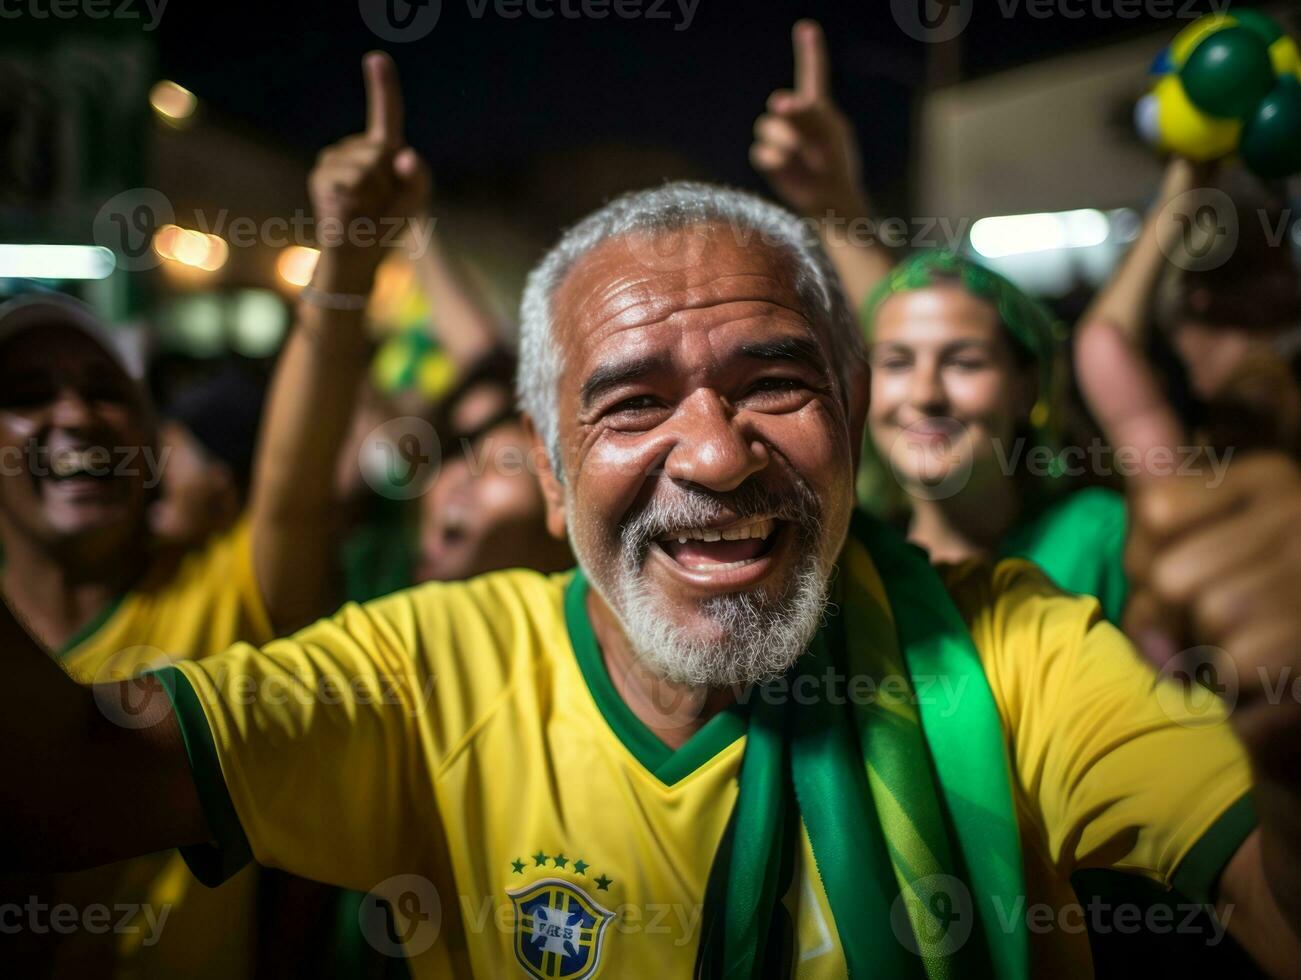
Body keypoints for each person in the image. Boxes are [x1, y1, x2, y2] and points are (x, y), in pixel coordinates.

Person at [6, 174, 1301, 978]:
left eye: (775, 385)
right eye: (630, 404)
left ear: (850, 428)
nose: (716, 453)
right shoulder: (429, 669)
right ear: (552, 475)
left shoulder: (1013, 652)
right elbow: (62, 787)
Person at [860, 250, 1129, 623]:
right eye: (896, 363)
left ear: (1026, 388)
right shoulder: (853, 567)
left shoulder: (1101, 536)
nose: (925, 394)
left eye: (964, 362)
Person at [1082, 157, 1301, 458]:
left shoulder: (1257, 414)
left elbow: (1105, 342)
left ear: (1197, 301)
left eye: (1172, 332)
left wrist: (1175, 201)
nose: (1191, 381)